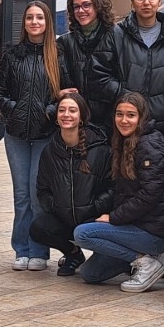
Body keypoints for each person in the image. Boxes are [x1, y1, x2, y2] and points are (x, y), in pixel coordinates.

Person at [0, 0, 71, 270]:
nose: (34, 22)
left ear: (47, 23)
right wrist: (16, 110)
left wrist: (47, 111)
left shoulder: (58, 56)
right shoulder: (12, 55)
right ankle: (21, 249)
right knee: (21, 195)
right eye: (30, 18)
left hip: (45, 135)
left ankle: (39, 251)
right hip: (16, 135)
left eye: (39, 17)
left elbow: (67, 95)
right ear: (24, 23)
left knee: (38, 196)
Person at [73, 92, 164, 292]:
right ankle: (153, 257)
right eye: (119, 114)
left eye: (131, 115)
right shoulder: (123, 140)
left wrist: (114, 217)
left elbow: (149, 195)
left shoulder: (149, 145)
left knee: (83, 234)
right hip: (132, 225)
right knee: (90, 273)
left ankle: (146, 262)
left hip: (152, 230)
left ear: (142, 117)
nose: (123, 120)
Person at [92, 0, 164, 144]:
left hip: (163, 126)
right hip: (124, 126)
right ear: (132, 1)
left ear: (159, 1)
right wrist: (128, 100)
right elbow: (99, 75)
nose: (146, 2)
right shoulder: (116, 34)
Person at [31, 89, 113, 277]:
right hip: (64, 218)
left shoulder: (100, 149)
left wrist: (95, 206)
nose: (66, 115)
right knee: (38, 228)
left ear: (81, 116)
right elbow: (42, 189)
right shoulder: (49, 152)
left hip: (93, 218)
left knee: (93, 275)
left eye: (72, 110)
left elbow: (113, 186)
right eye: (61, 110)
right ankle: (73, 254)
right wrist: (56, 206)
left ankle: (107, 257)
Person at [58, 0, 116, 129]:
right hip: (76, 122)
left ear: (98, 5)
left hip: (110, 121)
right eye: (76, 7)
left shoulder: (115, 38)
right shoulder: (64, 43)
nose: (81, 10)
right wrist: (57, 94)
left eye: (86, 5)